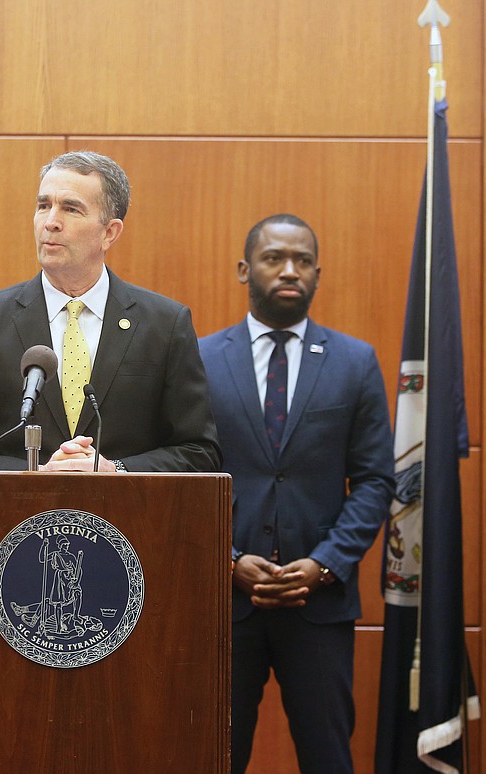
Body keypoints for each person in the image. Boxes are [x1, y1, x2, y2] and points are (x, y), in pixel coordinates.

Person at [199, 214, 395, 773]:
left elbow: (376, 479)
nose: (290, 271)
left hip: (319, 605)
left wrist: (324, 564)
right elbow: (182, 479)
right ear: (244, 269)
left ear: (317, 273)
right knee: (215, 755)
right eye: (274, 258)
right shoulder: (201, 360)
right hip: (225, 605)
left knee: (328, 758)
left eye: (303, 261)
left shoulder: (355, 363)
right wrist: (227, 561)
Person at [0, 151, 220, 473]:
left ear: (109, 232)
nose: (50, 221)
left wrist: (116, 470)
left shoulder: (164, 324)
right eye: (43, 205)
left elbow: (199, 452)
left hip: (125, 519)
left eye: (70, 208)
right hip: (21, 520)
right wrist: (34, 474)